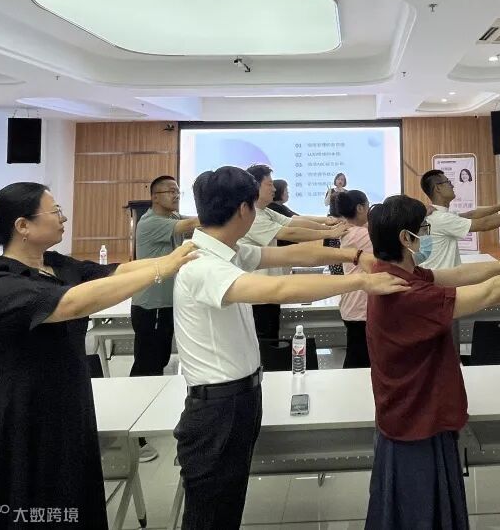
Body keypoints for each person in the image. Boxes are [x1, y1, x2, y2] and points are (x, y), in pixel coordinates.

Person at [172, 166, 408, 530]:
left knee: (226, 504)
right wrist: (360, 283)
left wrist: (351, 256)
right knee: (211, 513)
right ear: (244, 209)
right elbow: (279, 289)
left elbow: (293, 255)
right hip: (217, 407)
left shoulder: (227, 251)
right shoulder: (203, 265)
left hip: (237, 397)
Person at [0, 182, 196, 530]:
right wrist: (161, 270)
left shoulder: (55, 265)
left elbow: (115, 272)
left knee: (73, 498)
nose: (63, 218)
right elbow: (73, 303)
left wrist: (179, 258)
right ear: (23, 226)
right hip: (22, 414)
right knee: (26, 506)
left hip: (70, 404)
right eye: (55, 211)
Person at [364, 194, 500, 530]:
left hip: (418, 411)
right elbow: (487, 294)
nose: (428, 235)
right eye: (423, 229)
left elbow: (455, 275)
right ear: (406, 238)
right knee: (416, 512)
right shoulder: (405, 294)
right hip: (414, 421)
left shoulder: (396, 274)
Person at [131, 174, 199, 462]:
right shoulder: (150, 222)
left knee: (157, 363)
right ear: (154, 196)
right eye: (170, 191)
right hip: (152, 307)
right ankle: (134, 436)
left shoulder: (172, 217)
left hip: (166, 305)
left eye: (177, 191)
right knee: (146, 365)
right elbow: (191, 224)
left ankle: (146, 419)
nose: (176, 195)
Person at [242, 164, 348, 338]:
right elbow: (289, 233)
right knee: (264, 339)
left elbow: (294, 221)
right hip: (256, 294)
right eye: (269, 184)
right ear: (255, 186)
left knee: (270, 336)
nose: (274, 189)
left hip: (268, 290)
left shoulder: (265, 211)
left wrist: (327, 226)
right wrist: (329, 233)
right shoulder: (253, 216)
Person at [419, 169, 500, 270]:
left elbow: (471, 214)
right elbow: (483, 224)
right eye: (448, 182)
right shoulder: (441, 218)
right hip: (441, 279)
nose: (452, 185)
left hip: (440, 275)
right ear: (438, 188)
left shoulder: (441, 214)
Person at [335, 189, 372, 367]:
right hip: (360, 305)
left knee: (357, 355)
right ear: (360, 208)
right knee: (358, 360)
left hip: (353, 304)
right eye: (368, 206)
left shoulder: (351, 231)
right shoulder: (362, 234)